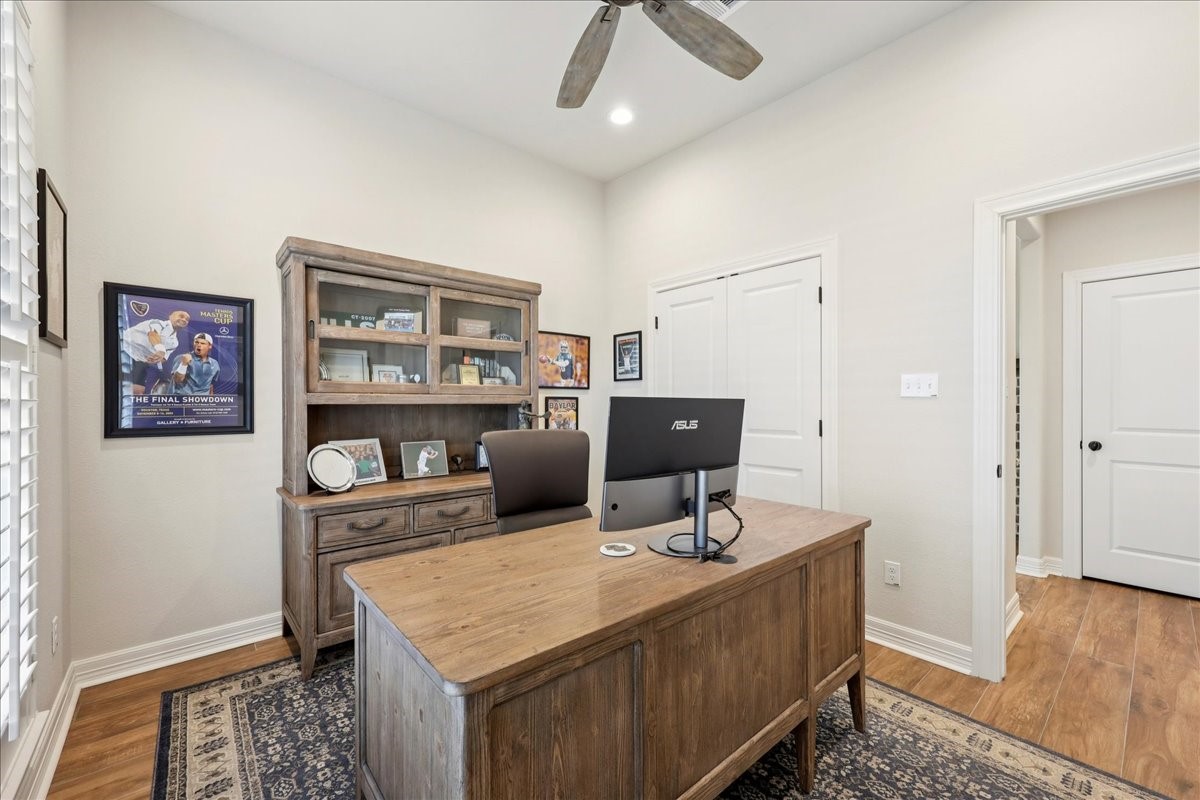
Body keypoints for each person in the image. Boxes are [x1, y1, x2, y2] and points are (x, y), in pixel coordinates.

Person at [122, 309, 190, 395]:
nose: (184, 320)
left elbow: (163, 358)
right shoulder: (158, 323)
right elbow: (153, 334)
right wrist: (160, 349)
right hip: (123, 349)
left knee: (139, 392)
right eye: (181, 316)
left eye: (187, 319)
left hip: (139, 361)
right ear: (170, 316)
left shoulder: (175, 342)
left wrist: (156, 359)